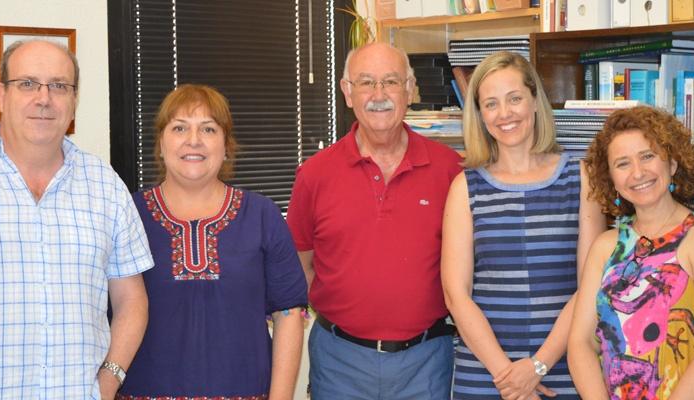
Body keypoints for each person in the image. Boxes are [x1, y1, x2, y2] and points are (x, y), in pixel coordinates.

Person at [0, 40, 153, 399]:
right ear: (1, 95)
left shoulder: (106, 185)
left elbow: (131, 301)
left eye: (59, 86)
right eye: (27, 83)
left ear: (74, 100)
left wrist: (107, 383)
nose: (44, 98)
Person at [287, 42, 464, 399]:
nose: (378, 95)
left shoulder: (450, 169)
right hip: (340, 361)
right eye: (366, 82)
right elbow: (301, 266)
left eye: (391, 82)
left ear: (410, 90)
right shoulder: (314, 174)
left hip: (427, 360)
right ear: (348, 92)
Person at [116, 84, 308, 400]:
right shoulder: (126, 214)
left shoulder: (262, 215)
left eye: (208, 128)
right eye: (179, 128)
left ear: (226, 145)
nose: (194, 140)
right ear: (161, 144)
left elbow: (288, 314)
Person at [441, 51, 605, 400]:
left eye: (514, 98)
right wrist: (508, 376)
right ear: (480, 115)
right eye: (491, 104)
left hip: (565, 370)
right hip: (487, 374)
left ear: (534, 101)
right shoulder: (465, 188)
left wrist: (537, 367)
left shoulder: (581, 179)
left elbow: (588, 288)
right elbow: (457, 295)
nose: (505, 114)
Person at [570, 106, 694, 399]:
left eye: (648, 156)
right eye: (623, 163)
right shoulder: (605, 247)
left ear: (673, 162)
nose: (638, 173)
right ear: (610, 177)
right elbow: (579, 343)